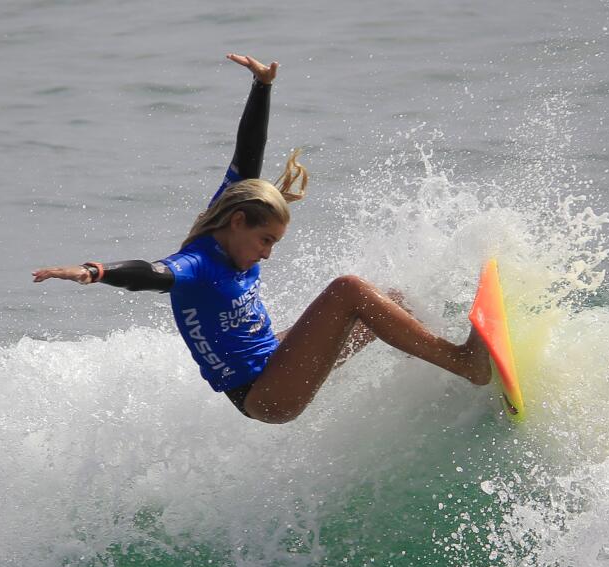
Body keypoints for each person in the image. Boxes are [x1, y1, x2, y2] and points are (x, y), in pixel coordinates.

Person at [32, 53, 490, 424]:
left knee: (389, 303)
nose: (267, 254)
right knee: (349, 290)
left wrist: (262, 87)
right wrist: (95, 272)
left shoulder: (231, 213)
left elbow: (247, 155)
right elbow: (148, 274)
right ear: (237, 224)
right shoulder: (198, 266)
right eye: (265, 240)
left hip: (272, 356)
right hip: (265, 394)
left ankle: (443, 378)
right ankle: (467, 365)